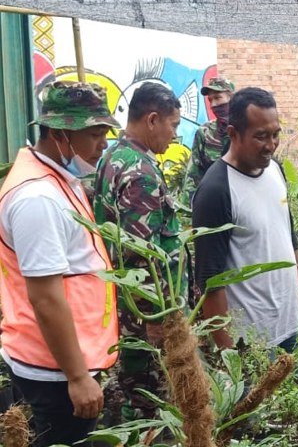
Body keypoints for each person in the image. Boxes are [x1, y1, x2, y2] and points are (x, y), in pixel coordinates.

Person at [0, 81, 120, 446]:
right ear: (59, 134)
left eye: (105, 132)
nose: (103, 143)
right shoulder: (38, 198)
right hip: (53, 372)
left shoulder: (56, 181)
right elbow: (46, 298)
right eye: (94, 133)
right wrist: (78, 377)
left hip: (60, 362)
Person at [193, 87, 298, 353]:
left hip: (289, 326)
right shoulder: (216, 190)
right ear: (233, 134)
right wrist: (232, 357)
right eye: (260, 136)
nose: (271, 145)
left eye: (275, 135)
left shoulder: (274, 169)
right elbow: (209, 282)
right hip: (250, 343)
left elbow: (287, 230)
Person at [93, 82, 182, 420]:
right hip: (142, 320)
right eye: (172, 125)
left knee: (131, 396)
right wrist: (156, 318)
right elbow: (140, 254)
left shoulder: (113, 157)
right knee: (147, 405)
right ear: (152, 120)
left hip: (124, 311)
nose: (174, 135)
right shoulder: (140, 173)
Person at [183, 77, 235, 203]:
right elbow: (193, 174)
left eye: (218, 98)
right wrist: (190, 208)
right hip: (212, 202)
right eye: (210, 100)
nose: (213, 105)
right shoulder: (205, 132)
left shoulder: (246, 130)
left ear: (231, 99)